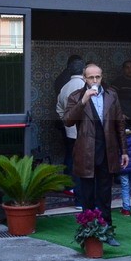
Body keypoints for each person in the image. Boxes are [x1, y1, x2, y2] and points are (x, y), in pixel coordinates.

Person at [63, 62, 127, 247]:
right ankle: (89, 233)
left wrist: (124, 151)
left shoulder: (111, 95)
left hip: (107, 151)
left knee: (105, 195)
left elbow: (120, 124)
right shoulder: (76, 96)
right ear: (84, 78)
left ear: (102, 77)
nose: (95, 80)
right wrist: (83, 101)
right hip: (86, 152)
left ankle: (107, 231)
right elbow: (68, 120)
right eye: (91, 77)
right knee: (87, 195)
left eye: (97, 77)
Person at [55, 56, 86, 204]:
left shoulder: (65, 87)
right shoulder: (85, 86)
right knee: (83, 166)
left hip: (70, 131)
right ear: (84, 70)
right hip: (85, 133)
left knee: (72, 159)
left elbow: (59, 108)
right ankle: (81, 200)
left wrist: (67, 122)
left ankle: (71, 187)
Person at [112, 60, 131, 128]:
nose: (129, 70)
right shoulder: (117, 82)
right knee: (124, 134)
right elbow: (111, 99)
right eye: (127, 67)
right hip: (122, 116)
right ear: (123, 69)